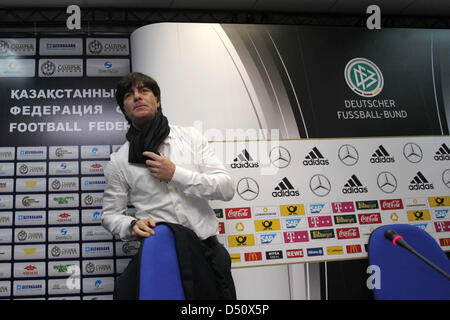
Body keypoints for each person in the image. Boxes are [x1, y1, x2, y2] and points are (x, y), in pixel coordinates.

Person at [101, 72, 236, 299]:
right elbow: (110, 215)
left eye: (144, 91)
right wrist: (131, 225)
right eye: (129, 95)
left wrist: (176, 174)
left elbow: (226, 188)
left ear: (158, 100)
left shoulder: (190, 137)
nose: (137, 97)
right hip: (163, 259)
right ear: (124, 108)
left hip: (209, 254)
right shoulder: (119, 160)